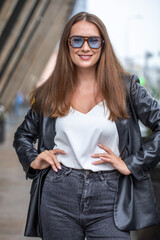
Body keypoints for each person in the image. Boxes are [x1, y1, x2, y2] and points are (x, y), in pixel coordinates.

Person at [13, 12, 160, 240]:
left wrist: (133, 164)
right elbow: (23, 134)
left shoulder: (127, 88)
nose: (85, 47)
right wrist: (33, 158)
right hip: (58, 191)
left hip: (110, 195)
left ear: (102, 45)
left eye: (93, 40)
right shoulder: (51, 92)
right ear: (67, 45)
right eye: (77, 40)